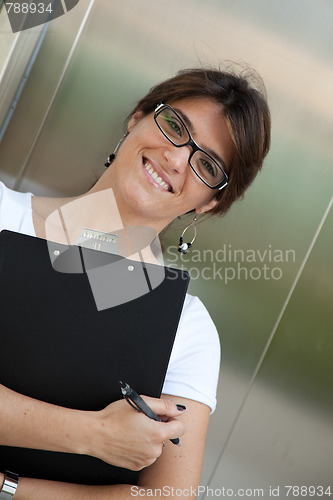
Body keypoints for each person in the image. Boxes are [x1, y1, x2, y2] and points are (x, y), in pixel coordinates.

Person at [0, 66, 271, 498]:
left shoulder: (187, 330)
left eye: (206, 164)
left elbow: (164, 496)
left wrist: (8, 487)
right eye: (175, 126)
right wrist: (92, 433)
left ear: (211, 202)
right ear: (139, 116)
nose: (177, 158)